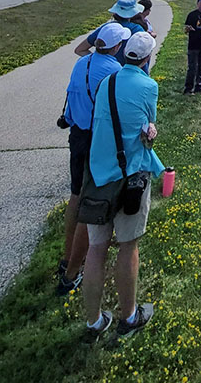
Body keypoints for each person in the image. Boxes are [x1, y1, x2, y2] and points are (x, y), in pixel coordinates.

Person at [82, 31, 165, 341]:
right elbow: (148, 128)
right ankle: (128, 316)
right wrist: (150, 133)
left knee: (96, 249)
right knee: (128, 245)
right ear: (146, 59)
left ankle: (94, 321)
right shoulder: (148, 85)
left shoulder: (107, 82)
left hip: (98, 174)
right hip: (131, 174)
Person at [56, 21, 128, 295]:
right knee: (92, 200)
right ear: (116, 46)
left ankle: (66, 256)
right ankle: (76, 267)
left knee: (76, 195)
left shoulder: (81, 64)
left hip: (76, 135)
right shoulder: (114, 70)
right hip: (96, 140)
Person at [75, 0, 147, 67]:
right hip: (127, 75)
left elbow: (80, 50)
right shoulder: (138, 30)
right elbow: (144, 59)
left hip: (105, 74)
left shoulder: (107, 28)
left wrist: (99, 62)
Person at [183, 0, 201, 94]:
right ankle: (188, 89)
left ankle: (199, 87)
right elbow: (186, 29)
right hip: (193, 45)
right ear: (198, 3)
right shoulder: (192, 15)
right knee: (192, 68)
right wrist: (189, 29)